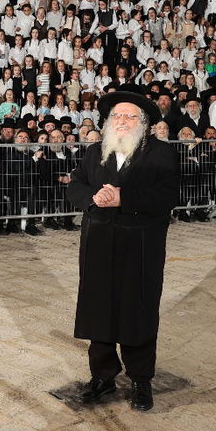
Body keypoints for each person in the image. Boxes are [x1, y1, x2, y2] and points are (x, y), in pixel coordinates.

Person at [65, 91, 178, 412]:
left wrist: (123, 198)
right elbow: (75, 184)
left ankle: (141, 380)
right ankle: (102, 376)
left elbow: (168, 195)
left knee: (137, 310)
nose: (122, 121)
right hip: (98, 244)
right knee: (98, 309)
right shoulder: (94, 152)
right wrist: (92, 198)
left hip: (139, 247)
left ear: (144, 123)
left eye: (130, 116)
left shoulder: (160, 154)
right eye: (117, 115)